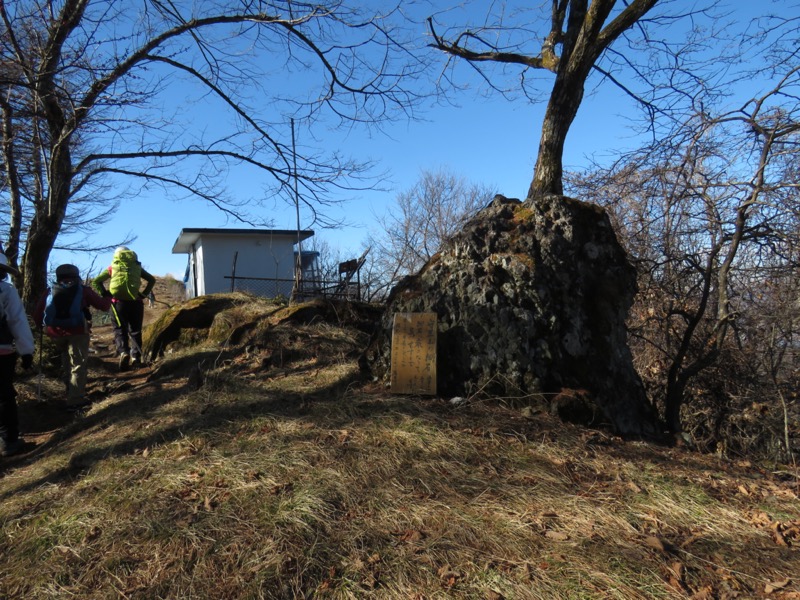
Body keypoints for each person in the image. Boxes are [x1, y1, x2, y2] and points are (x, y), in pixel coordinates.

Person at [33, 264, 111, 411]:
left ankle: (70, 390)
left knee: (66, 359)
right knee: (78, 363)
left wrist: (40, 327)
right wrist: (108, 296)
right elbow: (103, 306)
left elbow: (38, 313)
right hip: (78, 331)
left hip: (54, 332)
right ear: (76, 275)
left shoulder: (50, 291)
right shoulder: (83, 290)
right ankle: (75, 400)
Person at [91, 247, 155, 370]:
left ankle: (123, 352)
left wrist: (105, 294)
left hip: (117, 303)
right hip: (136, 302)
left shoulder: (112, 267)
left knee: (120, 329)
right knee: (136, 330)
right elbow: (152, 280)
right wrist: (143, 294)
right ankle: (136, 358)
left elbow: (96, 281)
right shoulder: (136, 267)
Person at [0, 252, 35, 457]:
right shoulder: (5, 290)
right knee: (3, 395)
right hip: (2, 351)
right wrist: (26, 351)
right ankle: (9, 441)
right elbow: (17, 321)